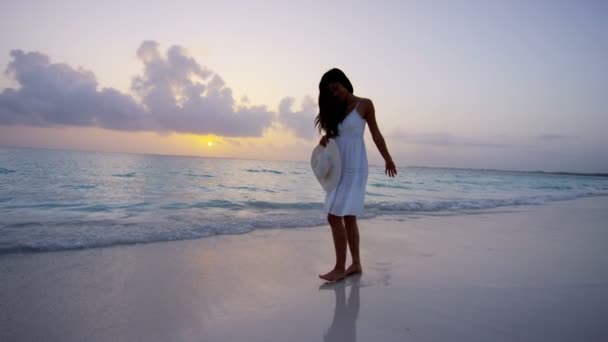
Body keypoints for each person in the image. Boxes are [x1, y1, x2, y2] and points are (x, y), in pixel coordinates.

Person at [315, 68, 397, 282]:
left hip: (355, 167)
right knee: (348, 216)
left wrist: (387, 158)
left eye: (335, 88)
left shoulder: (364, 105)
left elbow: (376, 135)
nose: (334, 94)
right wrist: (325, 139)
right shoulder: (337, 110)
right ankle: (356, 264)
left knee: (334, 216)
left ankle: (340, 267)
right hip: (339, 167)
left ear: (344, 82)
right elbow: (336, 138)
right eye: (329, 92)